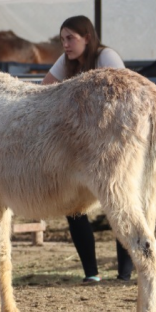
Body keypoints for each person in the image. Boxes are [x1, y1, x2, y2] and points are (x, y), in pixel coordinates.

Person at [41, 15, 134, 284]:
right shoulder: (67, 61)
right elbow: (45, 89)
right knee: (74, 205)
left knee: (118, 202)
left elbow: (123, 93)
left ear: (88, 38)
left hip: (111, 143)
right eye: (62, 39)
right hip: (79, 144)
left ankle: (124, 274)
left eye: (70, 38)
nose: (66, 45)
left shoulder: (107, 57)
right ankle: (91, 273)